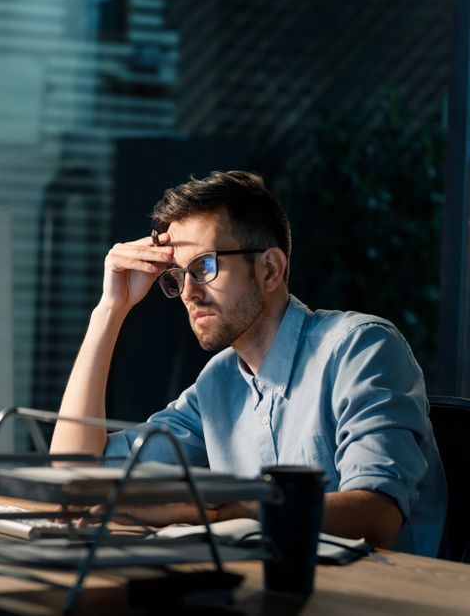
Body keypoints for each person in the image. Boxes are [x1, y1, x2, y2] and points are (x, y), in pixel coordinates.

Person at [50, 170, 446, 556]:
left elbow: (376, 515)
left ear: (270, 269)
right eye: (177, 275)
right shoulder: (219, 382)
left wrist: (219, 513)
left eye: (204, 266)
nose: (188, 292)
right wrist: (110, 310)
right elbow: (77, 476)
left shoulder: (361, 348)